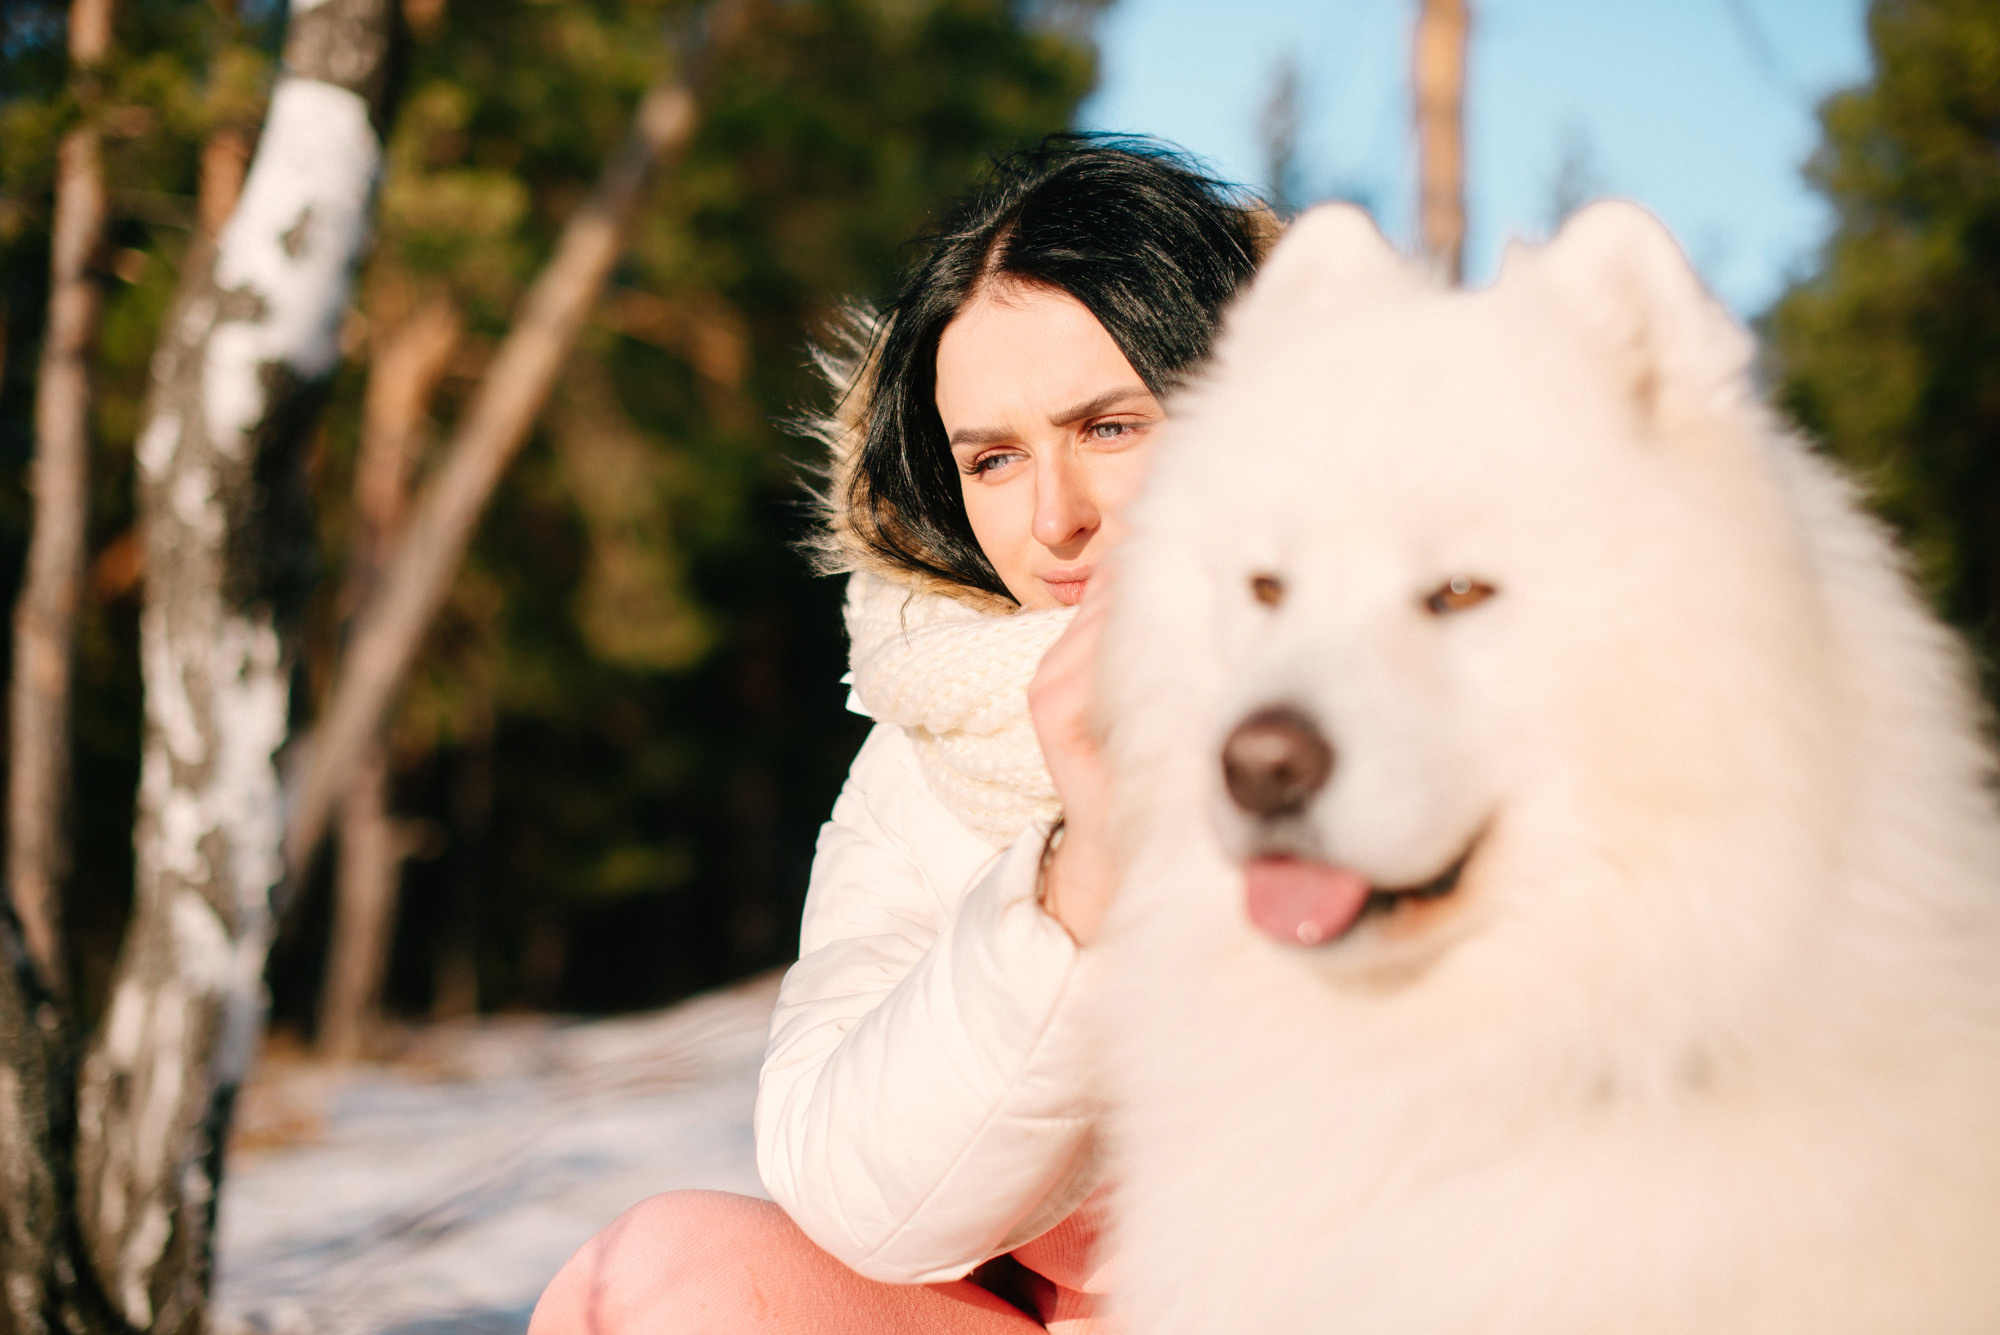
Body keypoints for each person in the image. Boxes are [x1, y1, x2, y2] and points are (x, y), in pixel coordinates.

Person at [529, 136, 1273, 1335]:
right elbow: (857, 1199)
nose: (1052, 520)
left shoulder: (1451, 666)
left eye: (1109, 427)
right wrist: (1073, 891)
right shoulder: (936, 742)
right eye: (992, 459)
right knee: (662, 1285)